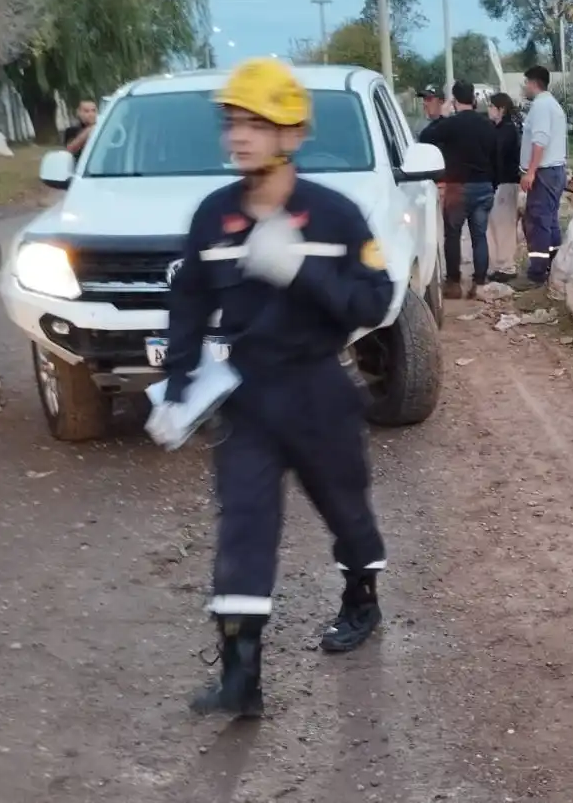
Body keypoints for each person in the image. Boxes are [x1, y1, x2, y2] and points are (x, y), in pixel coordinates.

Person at [152, 57, 393, 718]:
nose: (238, 135)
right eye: (232, 120)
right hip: (249, 396)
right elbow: (189, 307)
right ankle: (240, 676)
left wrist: (299, 271)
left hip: (319, 390)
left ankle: (360, 597)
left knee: (346, 511)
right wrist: (176, 391)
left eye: (256, 123)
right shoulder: (211, 217)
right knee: (244, 526)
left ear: (290, 134)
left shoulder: (335, 215)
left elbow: (374, 300)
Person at [418, 80, 498, 298]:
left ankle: (453, 284)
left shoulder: (451, 124)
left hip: (458, 187)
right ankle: (479, 283)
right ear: (473, 99)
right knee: (479, 236)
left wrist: (442, 117)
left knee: (452, 235)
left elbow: (425, 138)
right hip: (483, 186)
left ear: (453, 101)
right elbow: (495, 154)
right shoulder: (487, 125)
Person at [515, 65, 567, 287]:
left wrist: (531, 172)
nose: (524, 87)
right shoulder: (552, 105)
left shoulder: (542, 107)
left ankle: (537, 274)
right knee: (550, 220)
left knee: (538, 222)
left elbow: (540, 141)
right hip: (554, 170)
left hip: (544, 171)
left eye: (526, 82)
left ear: (533, 82)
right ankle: (554, 264)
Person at [486, 92, 523, 283]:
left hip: (505, 182)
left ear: (501, 109)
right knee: (495, 225)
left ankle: (507, 266)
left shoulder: (507, 130)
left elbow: (498, 157)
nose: (489, 110)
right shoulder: (498, 128)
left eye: (491, 106)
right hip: (498, 182)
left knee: (504, 226)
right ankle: (498, 265)